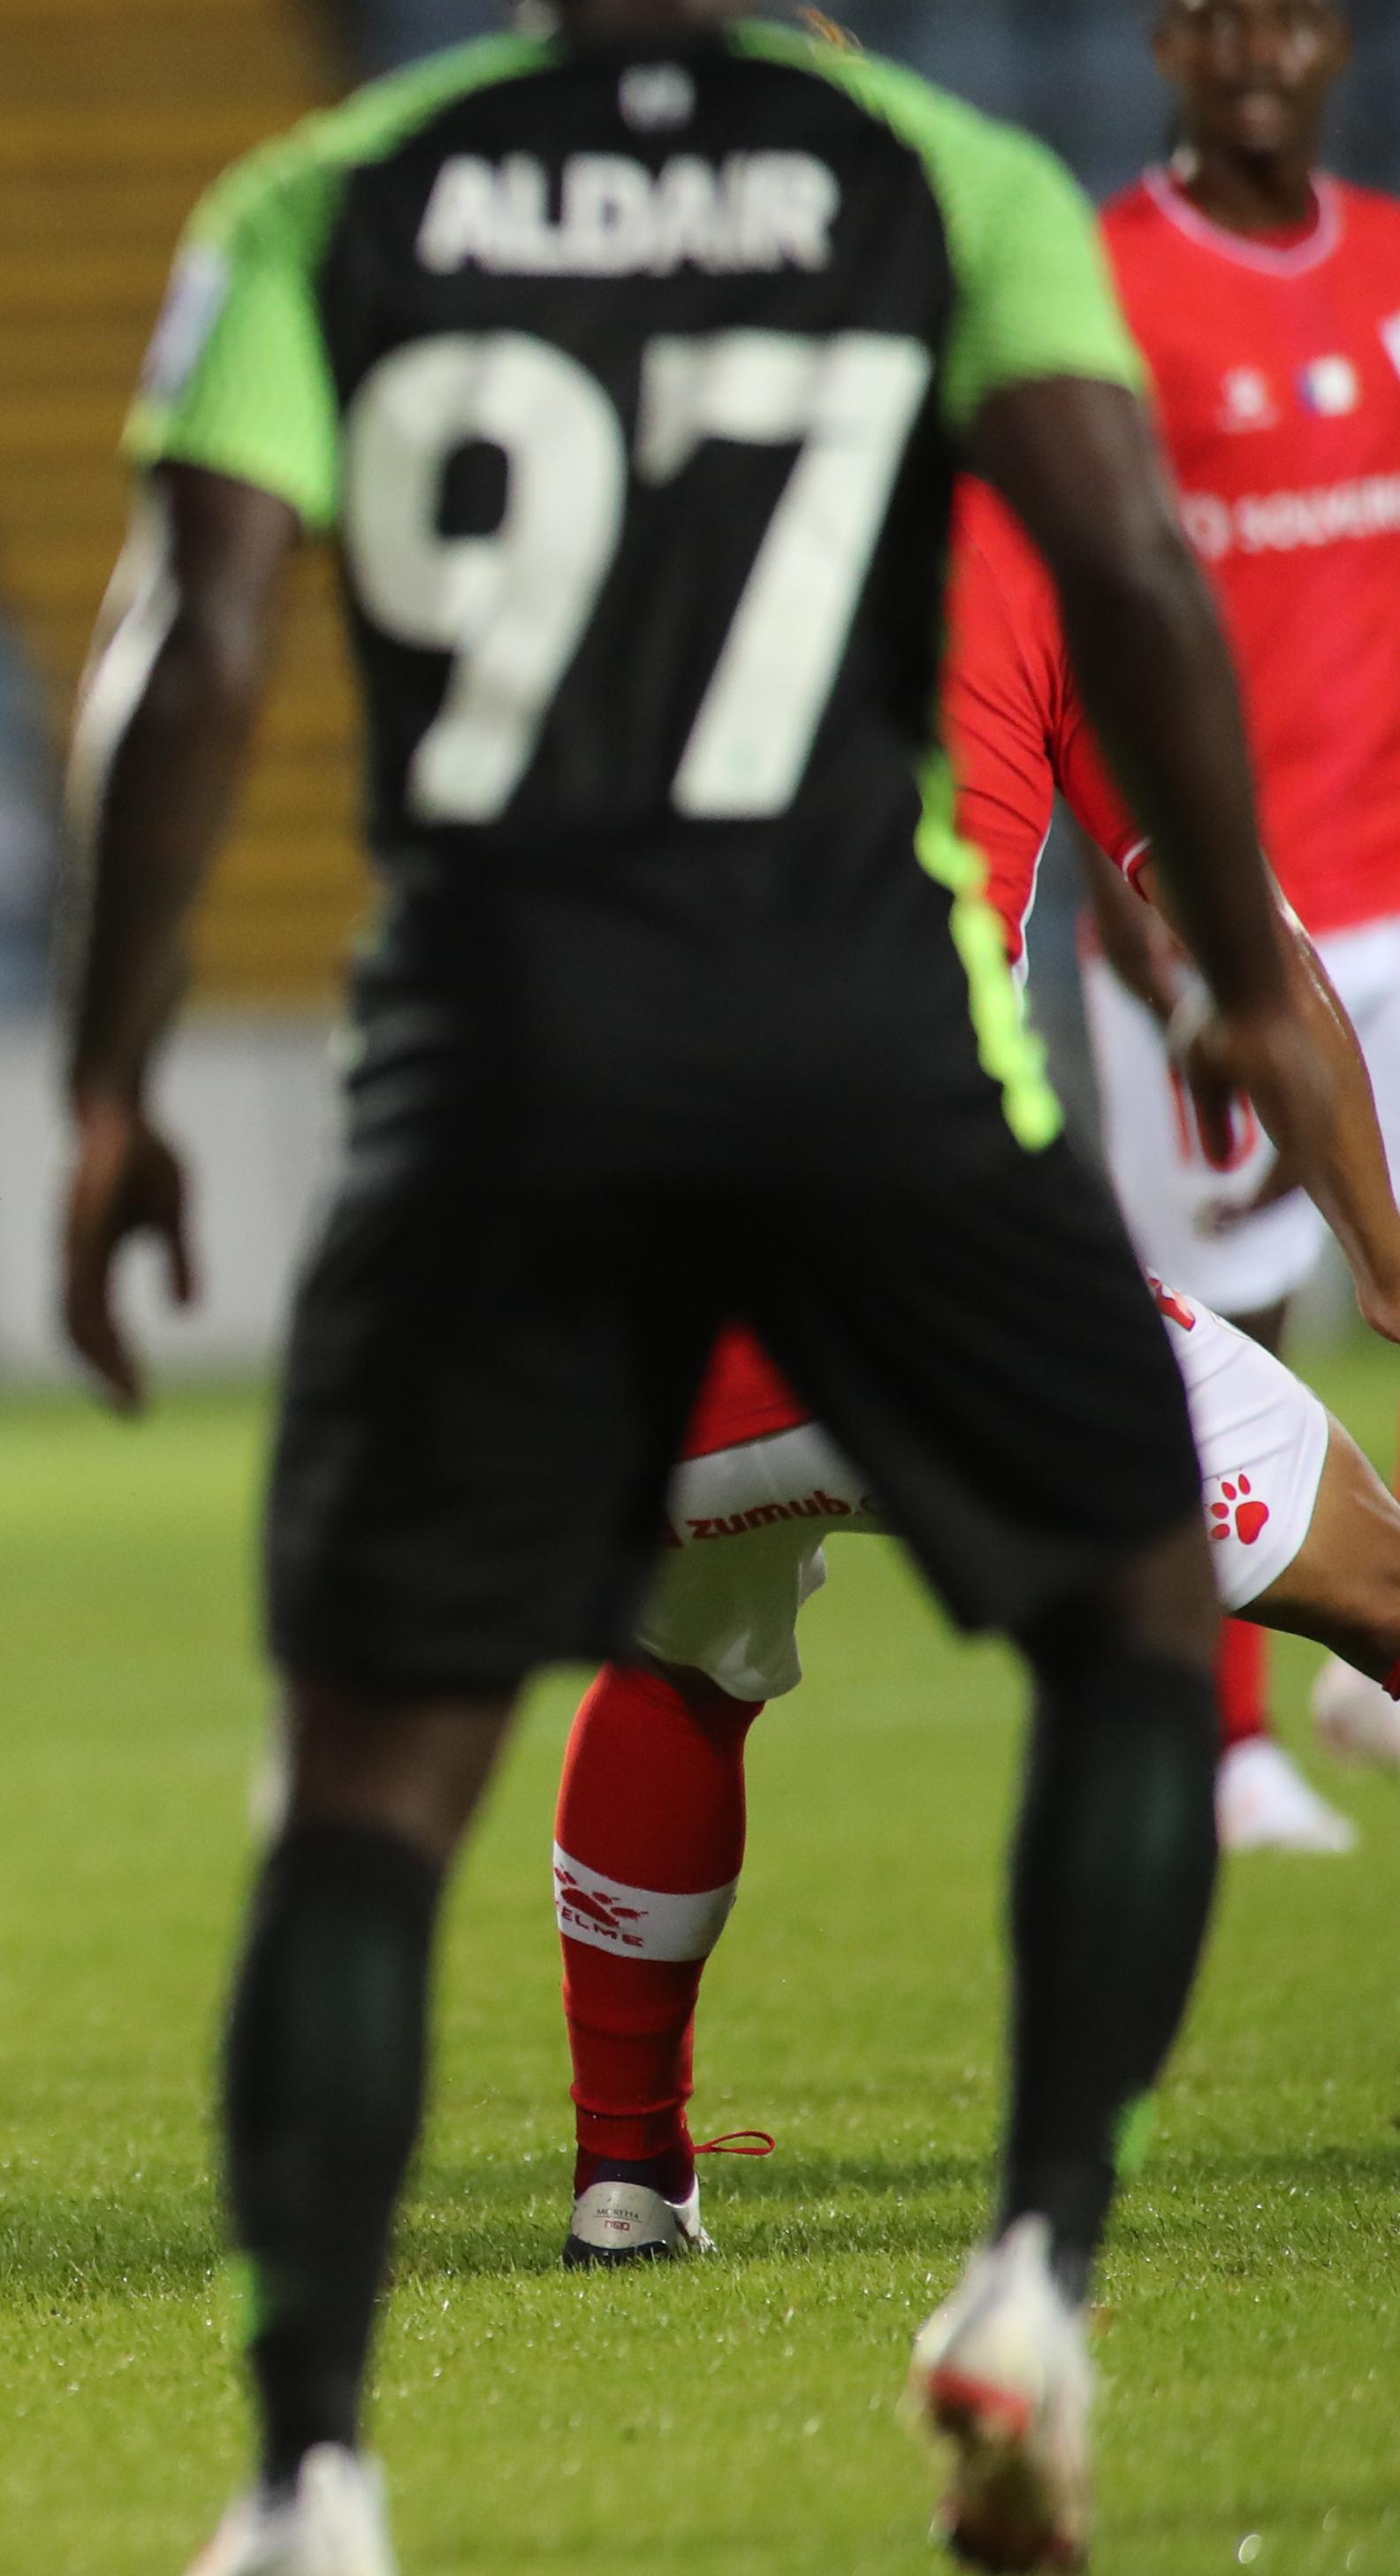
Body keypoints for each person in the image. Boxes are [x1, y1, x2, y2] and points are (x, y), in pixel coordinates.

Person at [62, 0, 1332, 2576]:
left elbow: (194, 643)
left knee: (366, 1780)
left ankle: (315, 2466)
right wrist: (1256, 972)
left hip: (502, 1066)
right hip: (877, 1050)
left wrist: (110, 1076)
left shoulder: (326, 191)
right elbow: (1132, 561)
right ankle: (1033, 2262)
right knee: (1150, 1644)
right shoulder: (951, 179)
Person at [552, 488, 1400, 2267]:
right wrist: (1389, 1262)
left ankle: (627, 2178)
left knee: (674, 1667)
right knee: (1381, 1583)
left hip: (653, 1314)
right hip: (939, 1284)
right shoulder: (1043, 547)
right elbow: (1254, 969)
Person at [1058, 0, 1400, 1835]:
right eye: (1220, 14)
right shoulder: (1104, 288)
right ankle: (1227, 1750)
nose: (1260, 43)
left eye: (1290, 11)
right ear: (1169, 47)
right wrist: (1152, 943)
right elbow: (1081, 638)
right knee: (1226, 1319)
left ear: (1336, 39)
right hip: (1215, 907)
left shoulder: (1393, 267)